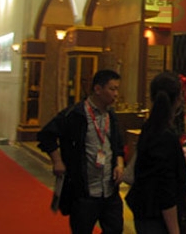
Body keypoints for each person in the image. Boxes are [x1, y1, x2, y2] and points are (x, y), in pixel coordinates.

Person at [37, 70, 125, 234]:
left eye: (117, 89)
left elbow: (118, 145)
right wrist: (57, 161)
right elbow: (46, 136)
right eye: (112, 89)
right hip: (84, 192)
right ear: (98, 89)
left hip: (109, 190)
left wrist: (119, 164)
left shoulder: (111, 116)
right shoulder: (75, 114)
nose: (116, 94)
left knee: (115, 229)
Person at [126, 72, 186, 234]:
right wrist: (174, 229)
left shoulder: (149, 128)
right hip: (157, 216)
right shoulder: (165, 135)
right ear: (177, 99)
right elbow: (165, 187)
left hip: (145, 210)